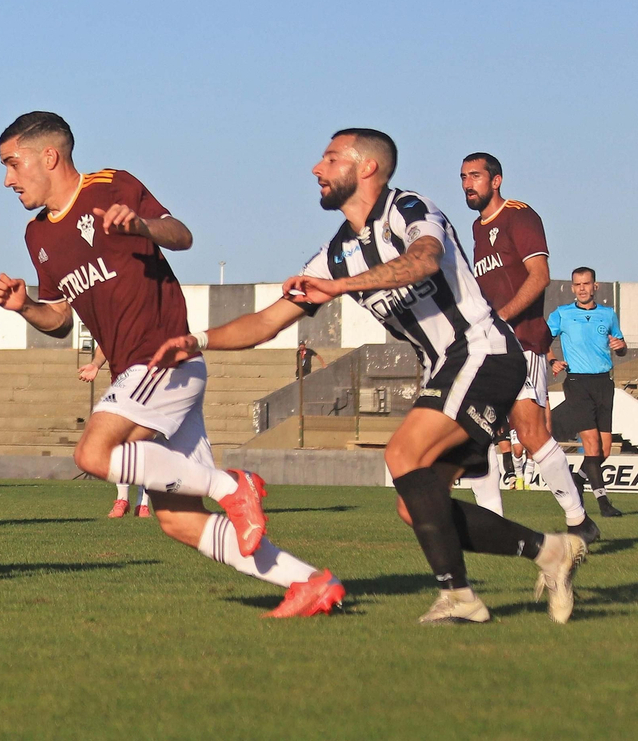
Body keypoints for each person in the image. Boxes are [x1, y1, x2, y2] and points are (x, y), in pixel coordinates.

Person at [155, 129, 585, 624]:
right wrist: (197, 340)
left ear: (366, 168)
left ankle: (460, 597)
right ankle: (551, 551)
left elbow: (422, 259)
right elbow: (267, 321)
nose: (316, 169)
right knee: (417, 508)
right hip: (448, 366)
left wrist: (336, 288)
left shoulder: (408, 210)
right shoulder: (335, 253)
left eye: (330, 158)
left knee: (401, 454)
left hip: (484, 352)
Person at [0, 111, 341, 618]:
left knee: (94, 454)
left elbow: (181, 234)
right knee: (177, 520)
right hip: (141, 374)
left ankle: (233, 486)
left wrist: (142, 226)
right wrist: (25, 307)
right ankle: (308, 582)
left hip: (161, 356)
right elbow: (62, 322)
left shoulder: (111, 185)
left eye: (12, 163)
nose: (7, 179)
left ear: (49, 156)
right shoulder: (38, 236)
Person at [460, 152, 597, 539]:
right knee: (478, 430)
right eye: (463, 177)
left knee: (531, 432)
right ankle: (495, 528)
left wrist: (501, 317)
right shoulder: (475, 227)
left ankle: (578, 520)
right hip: (489, 344)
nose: (468, 184)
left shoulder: (520, 216)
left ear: (496, 180)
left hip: (521, 341)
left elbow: (540, 277)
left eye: (475, 176)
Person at [548, 267, 628, 518]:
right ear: (572, 288)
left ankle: (576, 479)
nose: (582, 288)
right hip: (577, 382)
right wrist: (553, 361)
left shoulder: (608, 314)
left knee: (603, 450)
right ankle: (603, 503)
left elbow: (621, 346)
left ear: (595, 286)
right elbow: (540, 341)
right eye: (577, 284)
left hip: (604, 383)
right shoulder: (562, 314)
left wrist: (621, 346)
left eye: (586, 283)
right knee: (591, 445)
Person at [79, 344, 150, 517]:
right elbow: (105, 345)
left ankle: (143, 503)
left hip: (151, 391)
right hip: (122, 392)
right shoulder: (118, 323)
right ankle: (122, 499)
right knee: (120, 448)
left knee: (146, 449)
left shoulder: (154, 323)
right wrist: (96, 364)